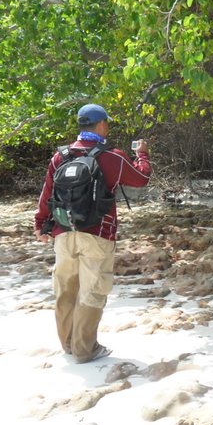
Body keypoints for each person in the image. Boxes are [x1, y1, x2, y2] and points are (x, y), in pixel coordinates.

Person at [34, 104, 151, 363]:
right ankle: (85, 350)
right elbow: (141, 179)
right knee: (93, 290)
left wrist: (41, 224)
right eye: (106, 123)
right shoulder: (111, 156)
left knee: (65, 290)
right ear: (100, 125)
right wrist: (142, 155)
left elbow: (47, 193)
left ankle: (68, 345)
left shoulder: (61, 156)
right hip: (97, 233)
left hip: (63, 233)